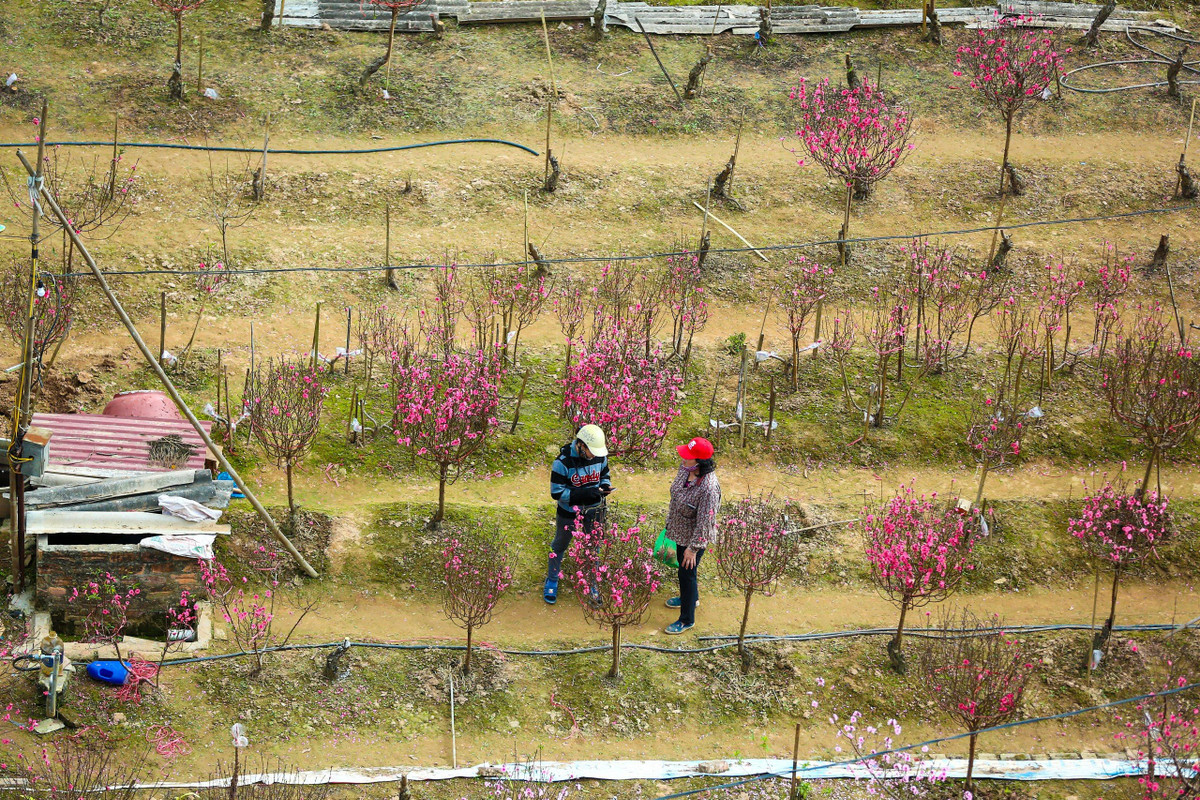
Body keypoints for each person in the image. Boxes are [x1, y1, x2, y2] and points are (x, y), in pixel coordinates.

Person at [545, 424, 612, 605]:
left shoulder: (600, 456)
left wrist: (604, 487)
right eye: (591, 452)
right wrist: (582, 495)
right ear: (581, 445)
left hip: (594, 510)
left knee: (594, 546)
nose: (594, 456)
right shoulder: (562, 462)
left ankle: (592, 584)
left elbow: (605, 475)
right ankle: (552, 579)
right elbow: (556, 492)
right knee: (559, 544)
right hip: (568, 513)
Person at [663, 436, 720, 634]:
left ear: (699, 462)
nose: (683, 458)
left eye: (688, 456)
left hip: (694, 538)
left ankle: (687, 619)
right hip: (679, 530)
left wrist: (693, 549)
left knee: (686, 574)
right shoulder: (685, 469)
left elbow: (705, 522)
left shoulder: (708, 488)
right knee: (685, 570)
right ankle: (691, 599)